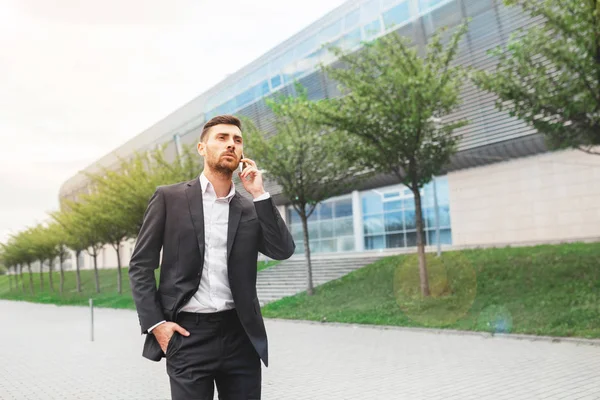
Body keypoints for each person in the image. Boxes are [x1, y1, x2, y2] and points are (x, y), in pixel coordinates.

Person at [129, 114, 295, 400]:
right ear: (202, 148)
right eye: (222, 138)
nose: (231, 144)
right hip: (187, 335)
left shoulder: (250, 207)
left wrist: (260, 194)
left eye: (237, 140)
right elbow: (140, 266)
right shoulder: (170, 198)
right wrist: (157, 326)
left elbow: (282, 250)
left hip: (240, 336)